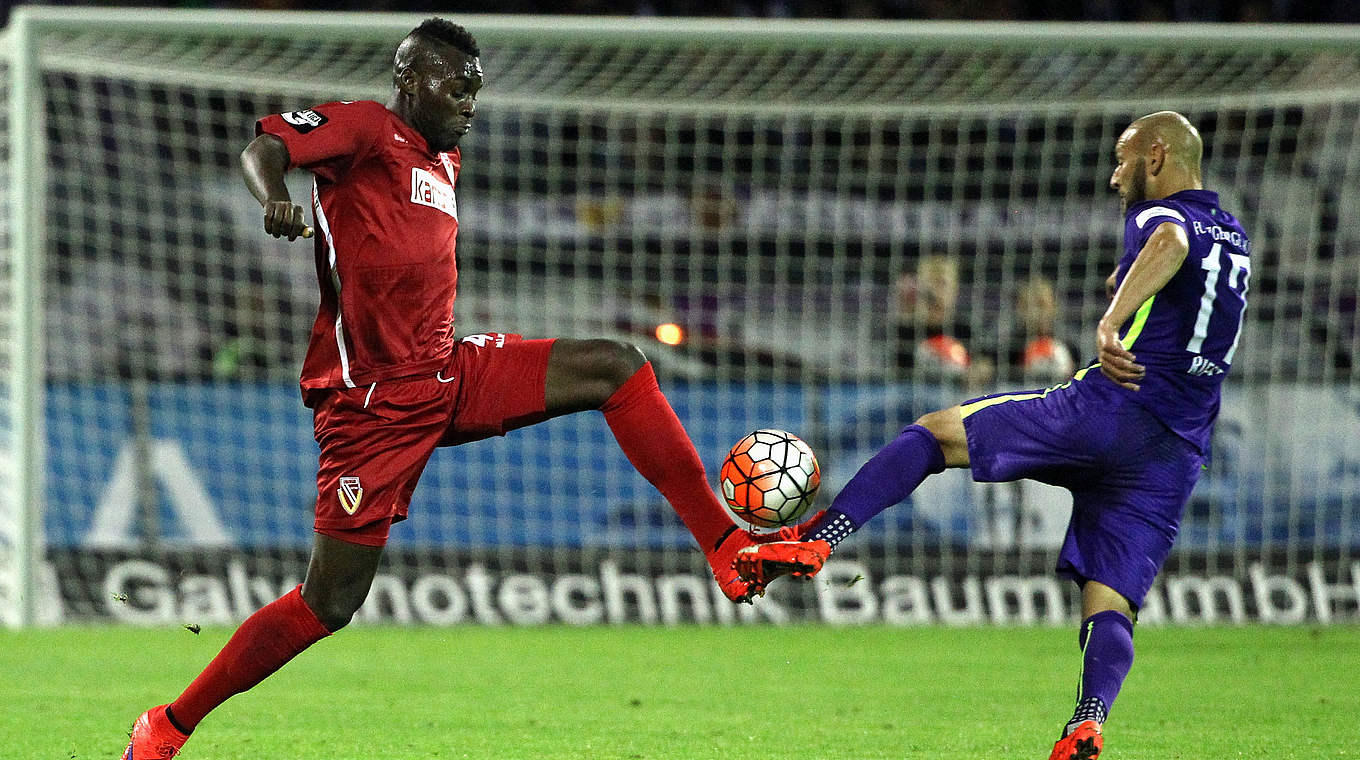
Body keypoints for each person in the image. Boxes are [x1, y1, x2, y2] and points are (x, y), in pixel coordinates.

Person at [121, 19, 763, 758]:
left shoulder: (446, 161)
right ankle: (167, 725)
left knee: (617, 367)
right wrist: (273, 196)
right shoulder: (364, 130)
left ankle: (723, 545)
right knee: (329, 603)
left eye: (476, 88)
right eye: (455, 84)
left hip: (449, 374)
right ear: (409, 77)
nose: (469, 100)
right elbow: (263, 148)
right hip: (371, 407)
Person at [736, 111, 1250, 760]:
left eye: (1122, 160)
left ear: (1156, 157)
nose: (1114, 176)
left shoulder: (1158, 215)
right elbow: (1185, 280)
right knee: (1111, 600)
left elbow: (1169, 244)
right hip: (1173, 453)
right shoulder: (1235, 238)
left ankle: (816, 541)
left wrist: (1110, 323)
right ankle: (1088, 722)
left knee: (934, 436)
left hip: (1109, 409)